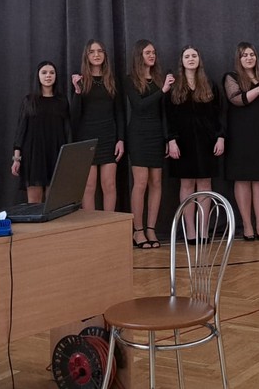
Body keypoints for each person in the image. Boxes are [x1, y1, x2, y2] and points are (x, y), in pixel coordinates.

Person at [166, 45, 224, 239]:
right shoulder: (175, 86)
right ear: (182, 61)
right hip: (183, 143)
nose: (191, 59)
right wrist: (171, 140)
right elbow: (169, 117)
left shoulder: (210, 84)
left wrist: (221, 137)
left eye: (194, 56)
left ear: (199, 60)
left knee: (205, 184)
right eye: (187, 56)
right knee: (187, 184)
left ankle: (203, 229)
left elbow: (219, 114)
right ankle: (190, 230)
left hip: (207, 142)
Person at [223, 42, 259, 241]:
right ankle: (247, 225)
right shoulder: (231, 77)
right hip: (240, 135)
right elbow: (236, 99)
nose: (249, 58)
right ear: (239, 59)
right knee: (243, 178)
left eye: (252, 54)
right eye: (245, 55)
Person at [123, 39, 174, 249]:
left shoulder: (159, 79)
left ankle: (151, 228)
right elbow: (139, 105)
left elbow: (164, 113)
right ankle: (138, 230)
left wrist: (167, 138)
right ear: (139, 55)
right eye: (147, 52)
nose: (152, 55)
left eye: (153, 52)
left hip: (156, 134)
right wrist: (163, 91)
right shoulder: (130, 79)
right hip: (138, 134)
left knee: (156, 182)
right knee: (141, 182)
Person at [71, 39, 125, 211]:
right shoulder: (80, 80)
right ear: (86, 56)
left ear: (105, 55)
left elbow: (119, 112)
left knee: (109, 185)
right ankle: (92, 225)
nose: (96, 55)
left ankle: (108, 223)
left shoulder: (112, 80)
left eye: (100, 51)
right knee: (88, 187)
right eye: (92, 52)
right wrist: (77, 91)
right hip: (87, 138)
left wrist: (121, 139)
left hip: (109, 137)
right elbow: (74, 116)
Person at [11, 61, 71, 204]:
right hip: (34, 155)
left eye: (51, 73)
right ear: (38, 76)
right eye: (44, 72)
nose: (48, 76)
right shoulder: (29, 100)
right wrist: (16, 159)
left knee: (53, 202)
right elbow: (21, 130)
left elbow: (68, 130)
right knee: (34, 202)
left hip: (56, 153)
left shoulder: (62, 101)